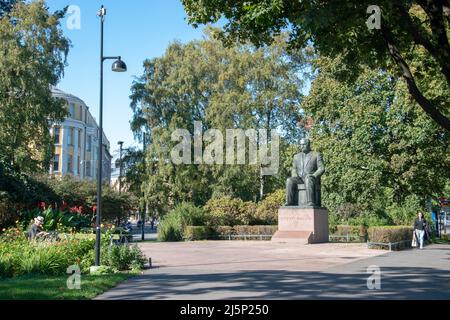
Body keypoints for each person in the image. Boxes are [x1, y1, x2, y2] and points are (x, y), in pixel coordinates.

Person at [285, 138, 325, 207]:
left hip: (311, 178)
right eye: (301, 145)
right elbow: (294, 168)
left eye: (304, 144)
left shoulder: (316, 155)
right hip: (299, 178)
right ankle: (290, 202)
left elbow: (321, 168)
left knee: (308, 179)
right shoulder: (296, 156)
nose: (302, 146)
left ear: (308, 144)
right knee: (289, 180)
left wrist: (314, 175)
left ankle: (310, 202)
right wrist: (294, 175)